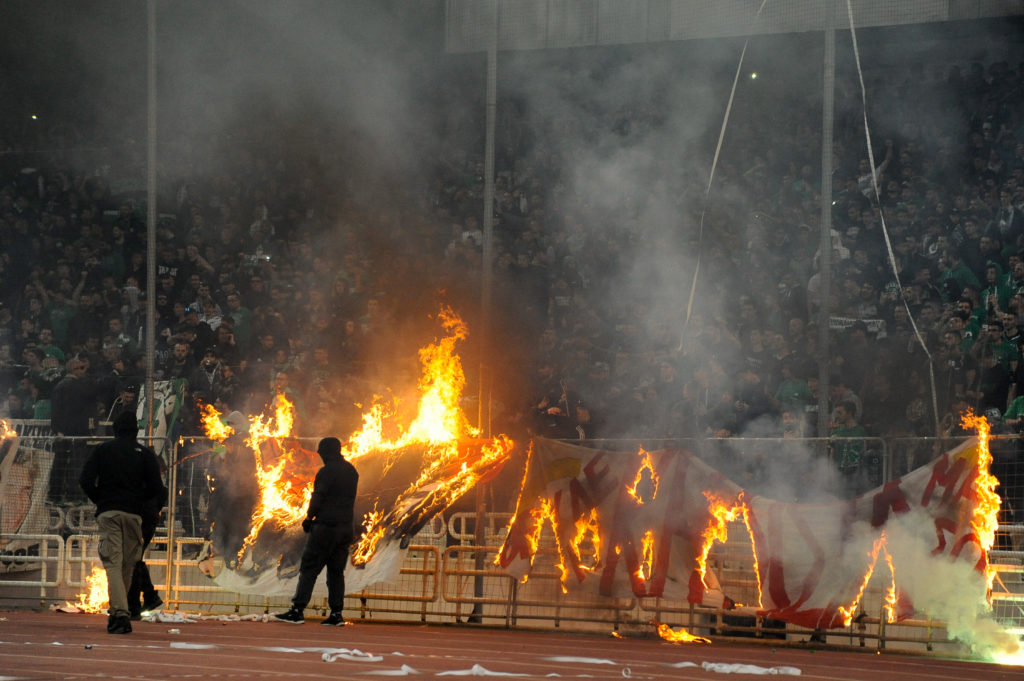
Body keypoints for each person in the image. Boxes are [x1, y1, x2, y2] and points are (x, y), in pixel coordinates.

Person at [79, 412, 167, 634]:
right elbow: (158, 488)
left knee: (113, 563)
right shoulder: (145, 455)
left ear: (115, 429)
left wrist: (101, 499)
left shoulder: (103, 450)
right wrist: (138, 501)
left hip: (110, 513)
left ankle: (119, 614)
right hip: (134, 515)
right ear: (135, 431)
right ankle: (122, 610)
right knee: (128, 564)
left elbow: (85, 480)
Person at [274, 436, 358, 626]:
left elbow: (318, 497)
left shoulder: (326, 472)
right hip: (345, 527)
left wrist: (309, 518)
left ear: (327, 453)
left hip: (326, 527)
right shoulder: (352, 471)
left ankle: (297, 610)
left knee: (309, 568)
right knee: (336, 572)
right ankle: (336, 613)